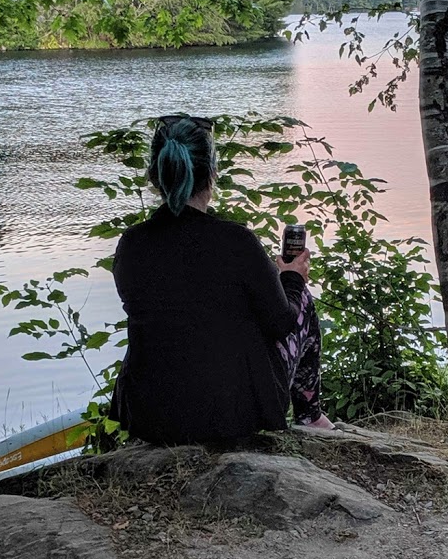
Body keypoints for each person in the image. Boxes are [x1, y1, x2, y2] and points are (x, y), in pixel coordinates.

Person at [109, 114, 333, 445]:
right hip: (233, 415)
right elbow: (281, 322)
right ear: (213, 173)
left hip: (149, 416)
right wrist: (292, 278)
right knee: (300, 301)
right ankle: (309, 415)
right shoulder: (235, 241)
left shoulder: (131, 244)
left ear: (154, 176)